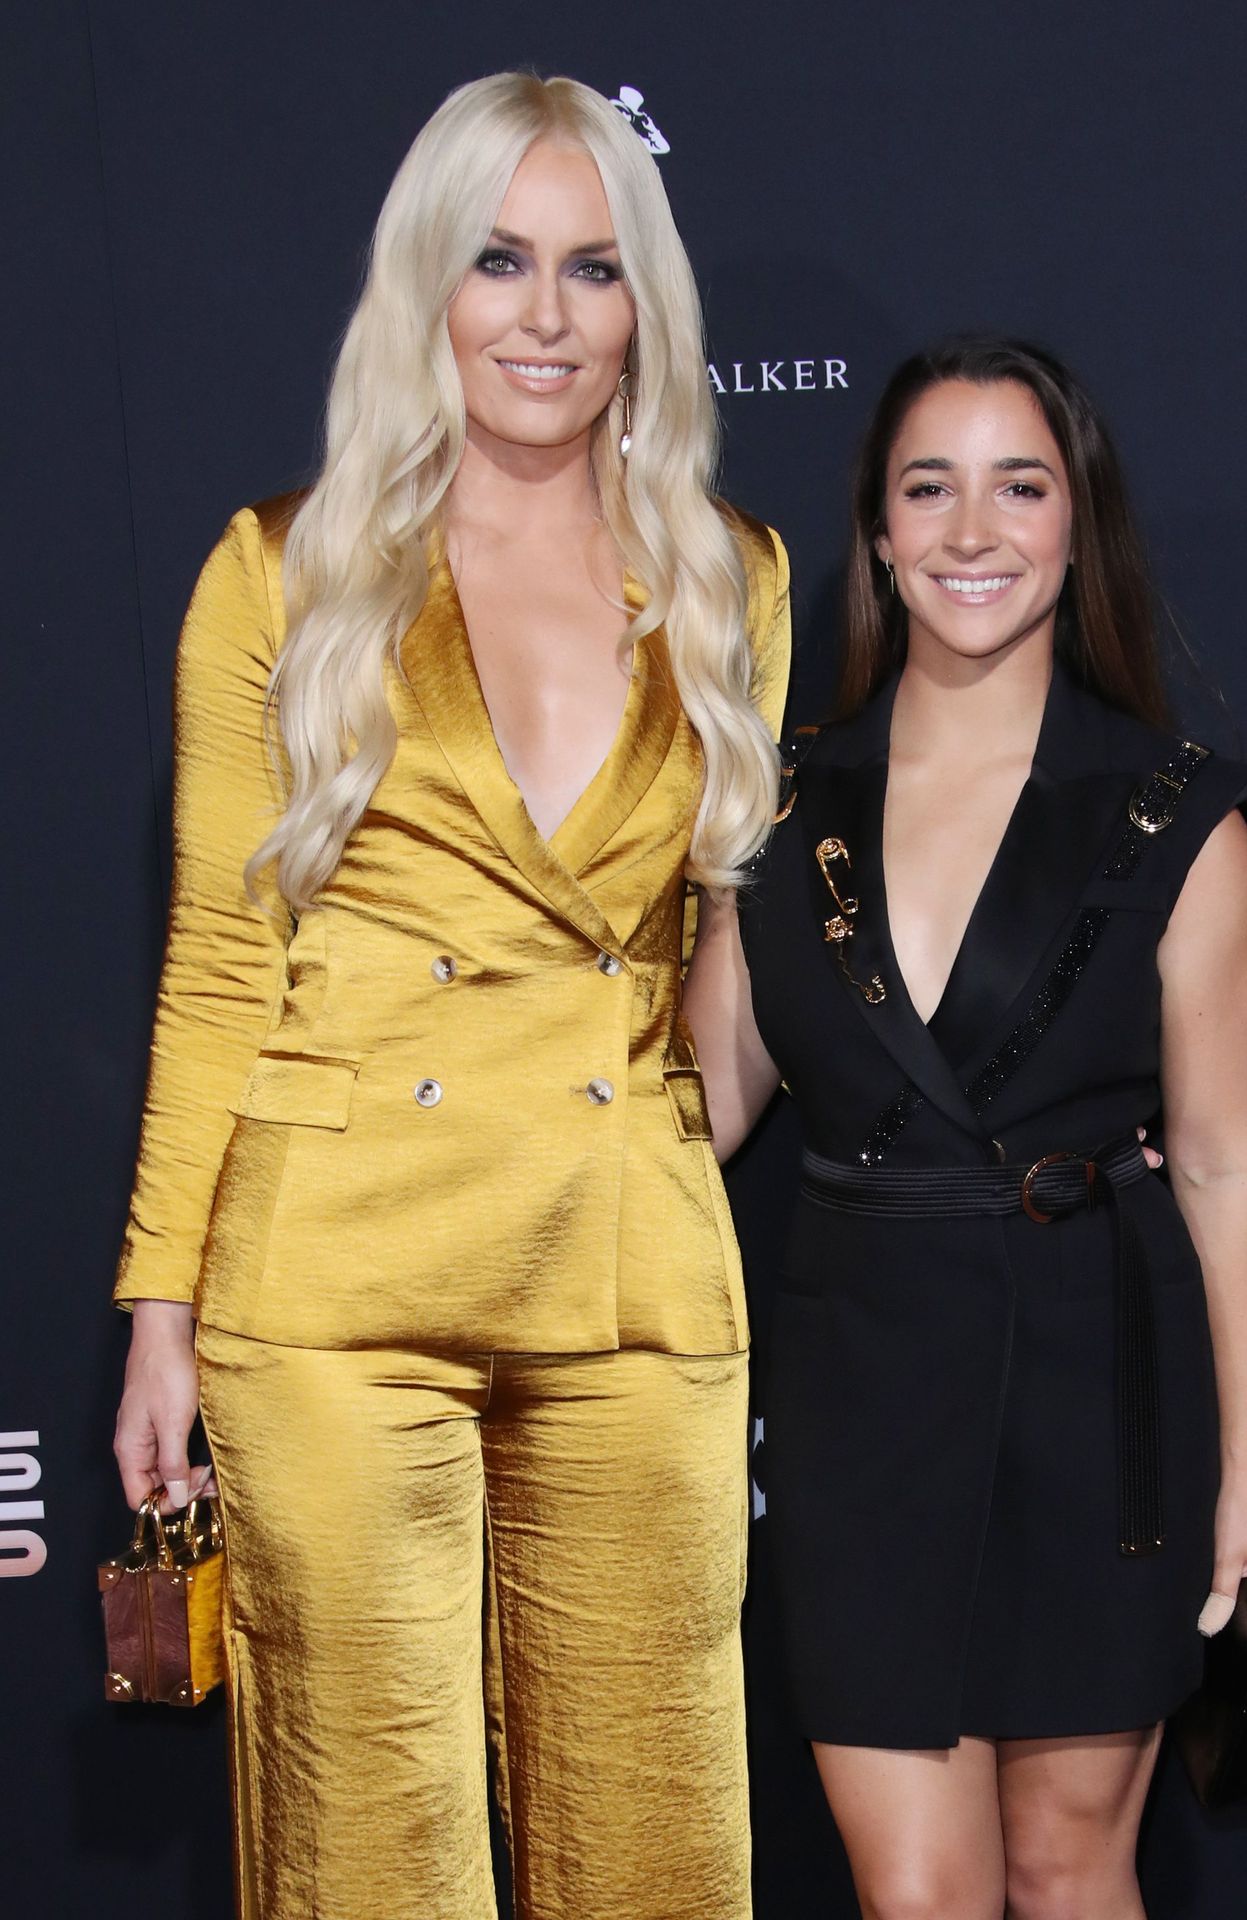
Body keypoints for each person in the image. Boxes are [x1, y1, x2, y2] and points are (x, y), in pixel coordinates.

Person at [111, 72, 789, 1920]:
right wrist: (161, 1309)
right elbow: (220, 959)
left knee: (658, 1845)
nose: (545, 316)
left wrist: (692, 1137)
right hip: (337, 1279)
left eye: (593, 267)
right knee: (368, 1857)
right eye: (499, 261)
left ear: (645, 303)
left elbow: (723, 959)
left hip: (630, 1272)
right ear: (428, 281)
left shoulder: (732, 580)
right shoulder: (286, 572)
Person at [685, 336, 1247, 1920]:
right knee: (917, 1894)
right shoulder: (778, 812)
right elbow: (693, 1115)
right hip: (862, 1400)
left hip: (1098, 1393)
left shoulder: (1178, 816)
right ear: (878, 532)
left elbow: (1225, 1161)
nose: (973, 530)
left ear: (1077, 524)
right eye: (931, 488)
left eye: (1020, 487)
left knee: (1066, 1869)